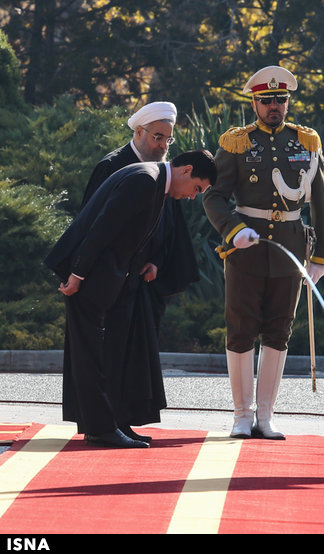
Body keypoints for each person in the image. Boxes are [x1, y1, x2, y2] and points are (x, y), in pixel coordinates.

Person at [44, 150, 217, 449]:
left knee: (99, 355)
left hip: (101, 280)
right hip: (88, 280)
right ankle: (100, 429)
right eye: (197, 189)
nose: (192, 197)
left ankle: (109, 425)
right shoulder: (144, 180)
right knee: (89, 356)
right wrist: (77, 274)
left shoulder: (152, 180)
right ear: (187, 170)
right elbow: (101, 230)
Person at [203, 66, 324, 440]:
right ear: (254, 103)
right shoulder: (237, 142)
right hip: (246, 246)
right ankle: (241, 415)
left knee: (279, 329)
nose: (274, 106)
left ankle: (265, 415)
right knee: (241, 328)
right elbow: (214, 196)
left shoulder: (306, 141)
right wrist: (232, 228)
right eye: (267, 100)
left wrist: (321, 256)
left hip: (290, 247)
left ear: (287, 101)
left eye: (280, 99)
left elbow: (321, 202)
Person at [78, 102, 199, 443]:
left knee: (131, 355)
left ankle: (123, 420)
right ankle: (103, 425)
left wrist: (157, 260)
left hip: (140, 280)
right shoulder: (113, 166)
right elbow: (96, 225)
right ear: (139, 132)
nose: (163, 146)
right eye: (158, 137)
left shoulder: (161, 169)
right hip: (110, 278)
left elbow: (168, 227)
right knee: (108, 353)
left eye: (168, 140)